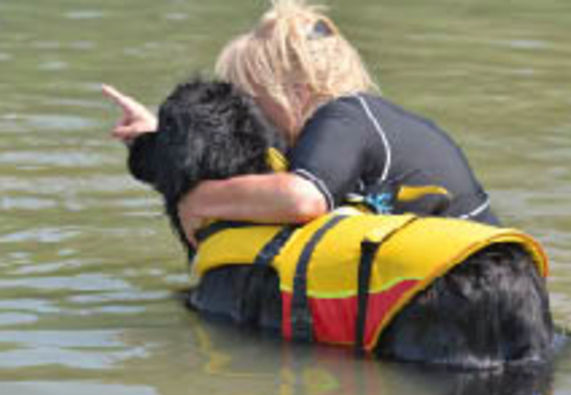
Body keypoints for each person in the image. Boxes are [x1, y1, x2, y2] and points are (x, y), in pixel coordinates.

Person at [103, 0, 499, 246]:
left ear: (293, 91)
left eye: (253, 100)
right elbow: (260, 193)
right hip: (483, 273)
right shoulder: (366, 120)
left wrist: (197, 200)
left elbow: (300, 200)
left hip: (467, 280)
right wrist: (156, 139)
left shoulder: (343, 118)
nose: (252, 118)